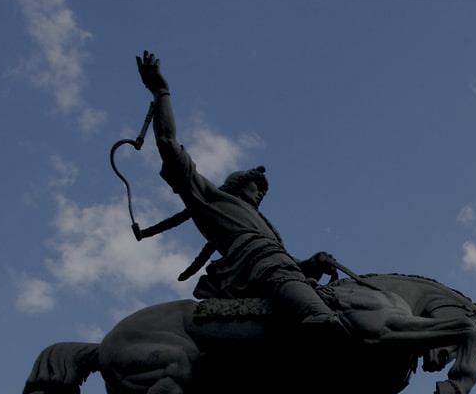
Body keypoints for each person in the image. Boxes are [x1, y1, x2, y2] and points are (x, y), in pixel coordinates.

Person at [135, 51, 346, 337]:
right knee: (285, 277)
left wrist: (312, 262)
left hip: (277, 265)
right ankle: (317, 317)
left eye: (263, 191)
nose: (260, 193)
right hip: (255, 266)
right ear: (237, 184)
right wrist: (161, 92)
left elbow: (288, 263)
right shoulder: (211, 198)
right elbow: (168, 144)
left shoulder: (264, 225)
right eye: (256, 186)